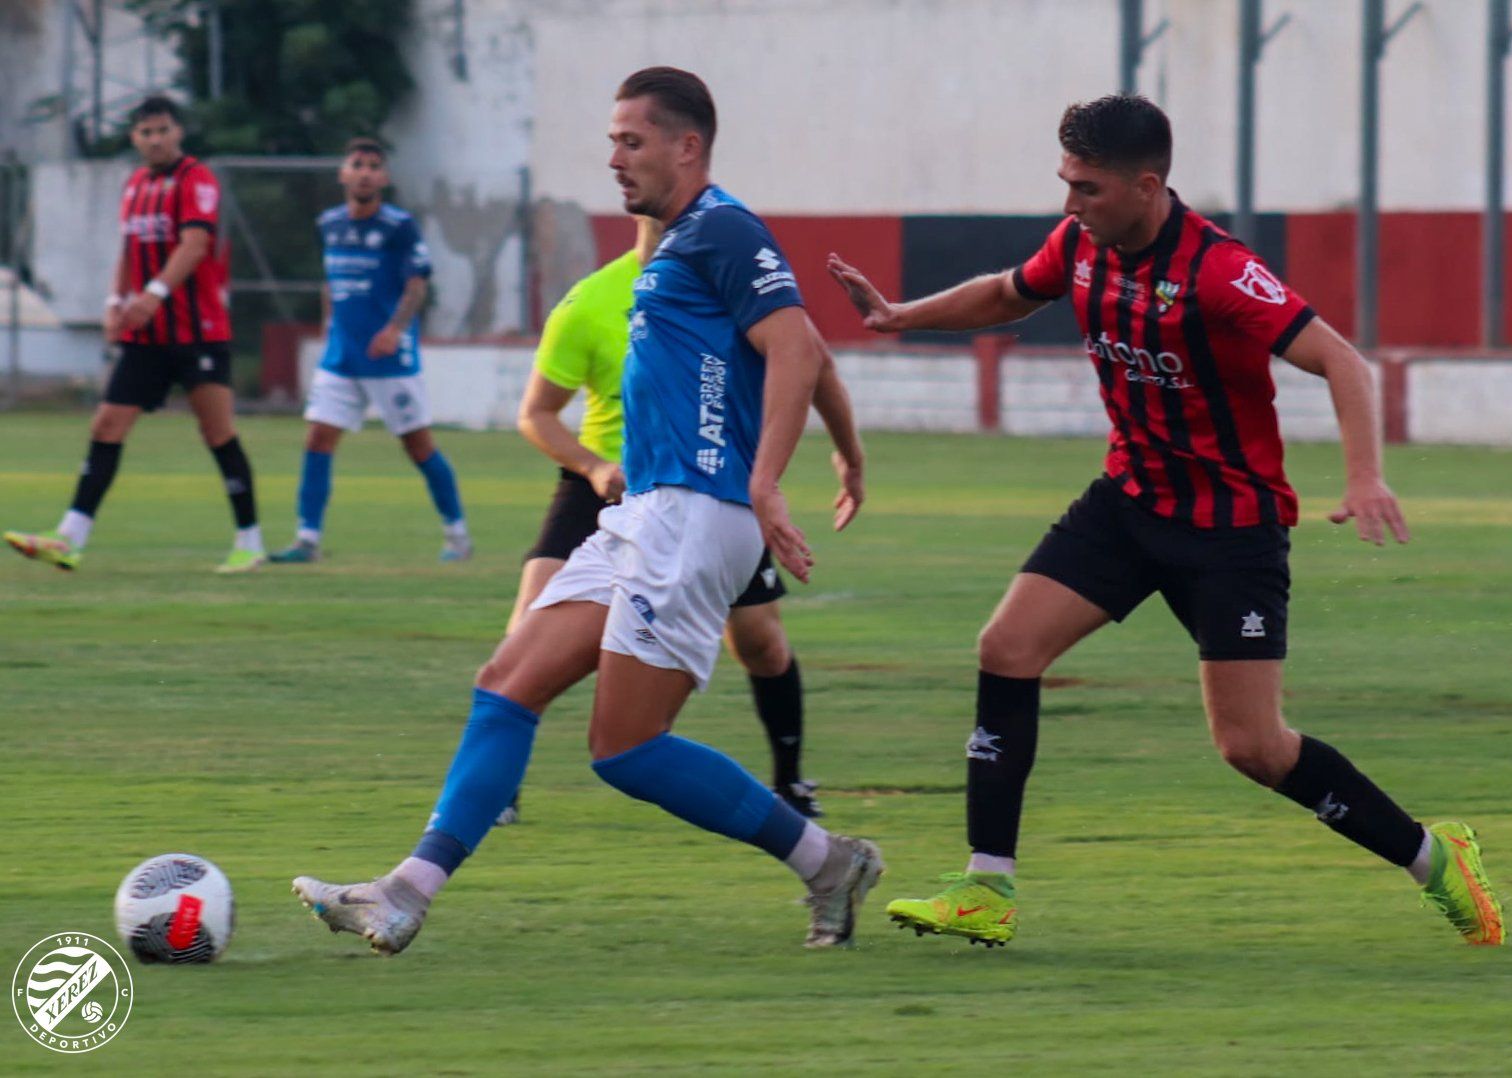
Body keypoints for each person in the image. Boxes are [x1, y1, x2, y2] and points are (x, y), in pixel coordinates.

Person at [827, 94, 1503, 948]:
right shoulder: (1080, 243)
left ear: (1148, 187)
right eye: (1066, 182)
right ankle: (985, 888)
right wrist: (900, 316)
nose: (1071, 203)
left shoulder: (1220, 271)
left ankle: (1433, 857)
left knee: (1253, 747)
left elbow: (1340, 359)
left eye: (1090, 187)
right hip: (1130, 502)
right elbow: (1008, 293)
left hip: (1230, 531)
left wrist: (1365, 475)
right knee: (1006, 647)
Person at [293, 67, 880, 953]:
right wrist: (848, 447)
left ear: (688, 146)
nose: (613, 157)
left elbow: (796, 346)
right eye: (611, 139)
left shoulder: (721, 226)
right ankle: (404, 892)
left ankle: (825, 859)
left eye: (630, 140)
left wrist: (767, 481)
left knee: (626, 749)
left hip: (692, 517)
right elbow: (810, 357)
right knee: (506, 684)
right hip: (645, 512)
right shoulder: (678, 242)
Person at [496, 214, 822, 827]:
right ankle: (500, 789)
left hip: (700, 485)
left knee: (759, 640)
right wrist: (592, 468)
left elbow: (800, 354)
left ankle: (791, 781)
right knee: (527, 625)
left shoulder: (722, 278)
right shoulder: (590, 300)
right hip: (600, 482)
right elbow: (536, 414)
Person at [4, 95, 263, 573]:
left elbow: (196, 243)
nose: (156, 139)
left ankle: (250, 541)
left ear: (178, 132)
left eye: (163, 130)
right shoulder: (135, 185)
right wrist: (113, 302)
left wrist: (155, 293)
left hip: (196, 332)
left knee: (217, 431)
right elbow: (129, 249)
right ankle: (69, 538)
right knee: (106, 425)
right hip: (147, 336)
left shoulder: (195, 179)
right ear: (134, 138)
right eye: (146, 132)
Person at [268, 137, 469, 564]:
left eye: (373, 165)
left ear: (384, 177)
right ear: (343, 173)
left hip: (387, 358)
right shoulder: (330, 224)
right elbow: (331, 281)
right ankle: (307, 539)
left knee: (417, 445)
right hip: (342, 355)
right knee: (318, 438)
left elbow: (417, 283)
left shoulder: (399, 227)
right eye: (357, 164)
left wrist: (396, 330)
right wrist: (328, 327)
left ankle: (457, 535)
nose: (364, 172)